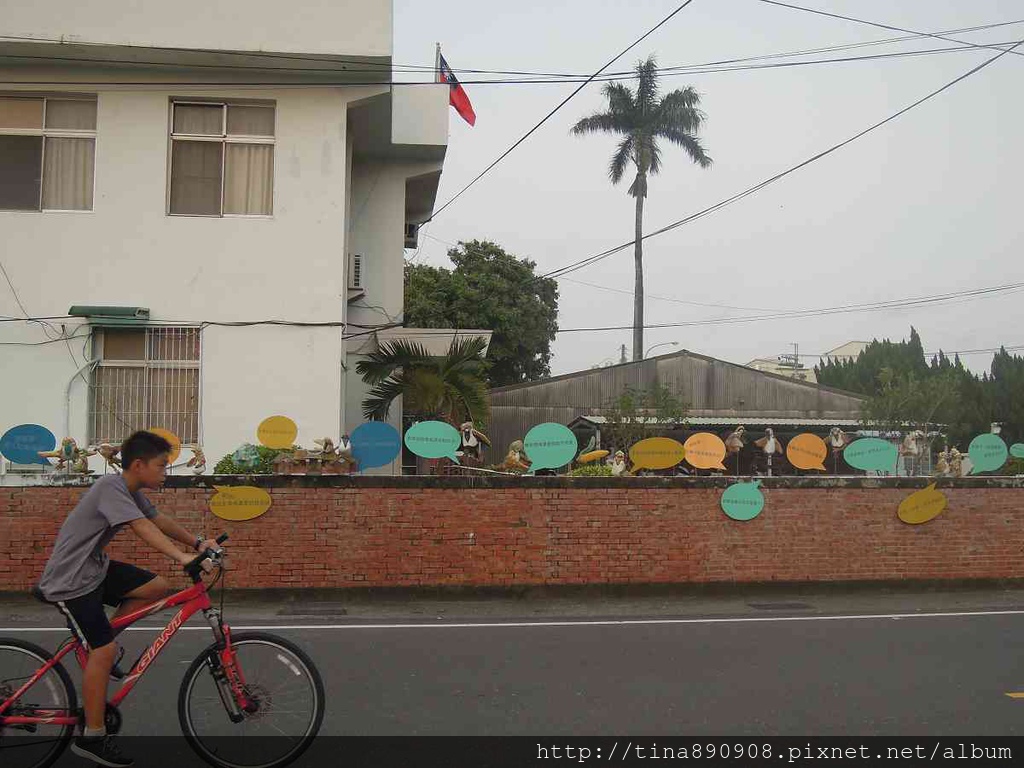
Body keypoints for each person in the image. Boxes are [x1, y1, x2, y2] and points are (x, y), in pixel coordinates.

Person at [34, 430, 222, 767]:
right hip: (70, 581)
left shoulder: (130, 490)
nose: (166, 472)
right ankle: (92, 737)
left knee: (156, 587)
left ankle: (98, 646)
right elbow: (141, 528)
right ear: (138, 465)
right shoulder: (110, 487)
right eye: (162, 466)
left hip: (93, 569)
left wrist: (196, 543)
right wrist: (182, 558)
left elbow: (157, 520)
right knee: (103, 651)